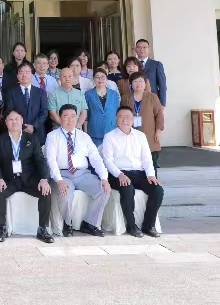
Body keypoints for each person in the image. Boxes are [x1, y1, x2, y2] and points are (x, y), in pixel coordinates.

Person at [45, 104, 111, 237]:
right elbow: (51, 161)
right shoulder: (52, 136)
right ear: (60, 118)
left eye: (73, 116)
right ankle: (67, 224)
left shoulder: (84, 136)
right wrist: (59, 180)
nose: (70, 120)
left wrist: (104, 178)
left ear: (77, 118)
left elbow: (96, 158)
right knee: (65, 194)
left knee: (103, 190)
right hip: (63, 175)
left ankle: (90, 224)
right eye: (66, 116)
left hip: (83, 174)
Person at [0, 109, 53, 244]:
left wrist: (44, 179)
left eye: (17, 119)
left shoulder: (31, 138)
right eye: (10, 119)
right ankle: (2, 228)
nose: (14, 122)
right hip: (9, 179)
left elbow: (40, 160)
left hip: (29, 179)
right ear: (6, 122)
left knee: (46, 191)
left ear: (22, 121)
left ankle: (42, 229)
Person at [101, 107, 164, 238]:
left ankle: (148, 225)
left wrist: (151, 175)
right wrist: (120, 174)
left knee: (157, 190)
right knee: (127, 188)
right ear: (116, 119)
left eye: (128, 117)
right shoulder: (109, 137)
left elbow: (147, 158)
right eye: (121, 116)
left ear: (133, 120)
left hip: (139, 173)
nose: (125, 120)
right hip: (118, 174)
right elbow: (108, 161)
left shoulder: (140, 136)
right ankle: (131, 225)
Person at [121, 72, 164, 174]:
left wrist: (158, 132)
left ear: (145, 84)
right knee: (134, 164)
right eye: (135, 81)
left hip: (149, 133)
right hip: (131, 134)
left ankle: (152, 181)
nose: (138, 84)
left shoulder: (152, 97)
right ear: (131, 84)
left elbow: (159, 114)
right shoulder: (125, 98)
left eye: (141, 81)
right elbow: (122, 115)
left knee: (151, 164)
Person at [5, 61, 49, 145]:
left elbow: (44, 112)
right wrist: (22, 127)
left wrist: (33, 126)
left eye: (27, 72)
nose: (24, 75)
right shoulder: (11, 93)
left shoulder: (41, 92)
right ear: (17, 76)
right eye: (21, 72)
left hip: (37, 133)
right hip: (18, 133)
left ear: (32, 75)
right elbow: (9, 112)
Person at [85, 68, 120, 146]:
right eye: (97, 77)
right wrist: (86, 134)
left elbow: (118, 113)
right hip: (94, 133)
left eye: (102, 77)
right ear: (93, 79)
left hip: (111, 131)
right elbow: (86, 116)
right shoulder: (88, 94)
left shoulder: (114, 94)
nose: (100, 79)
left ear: (107, 79)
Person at [135, 39, 167, 107]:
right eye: (139, 47)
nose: (141, 49)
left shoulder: (156, 64)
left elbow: (162, 85)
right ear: (135, 49)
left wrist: (162, 104)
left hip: (152, 100)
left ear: (148, 49)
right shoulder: (132, 65)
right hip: (135, 100)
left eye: (144, 47)